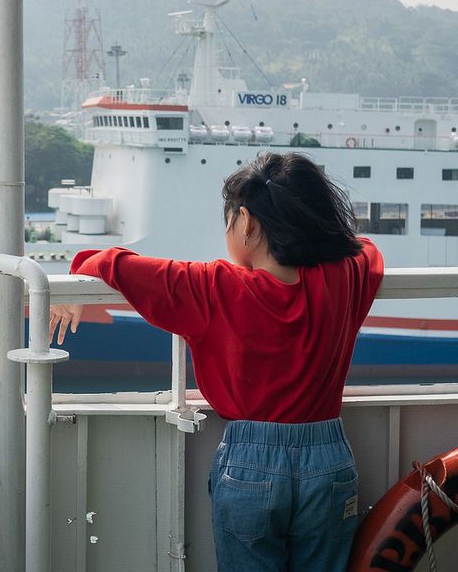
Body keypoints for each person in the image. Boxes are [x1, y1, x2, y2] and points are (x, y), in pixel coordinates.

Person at [50, 152, 384, 572]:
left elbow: (119, 265)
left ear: (247, 221)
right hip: (329, 460)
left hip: (251, 465)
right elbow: (366, 248)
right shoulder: (346, 275)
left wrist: (80, 266)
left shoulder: (215, 287)